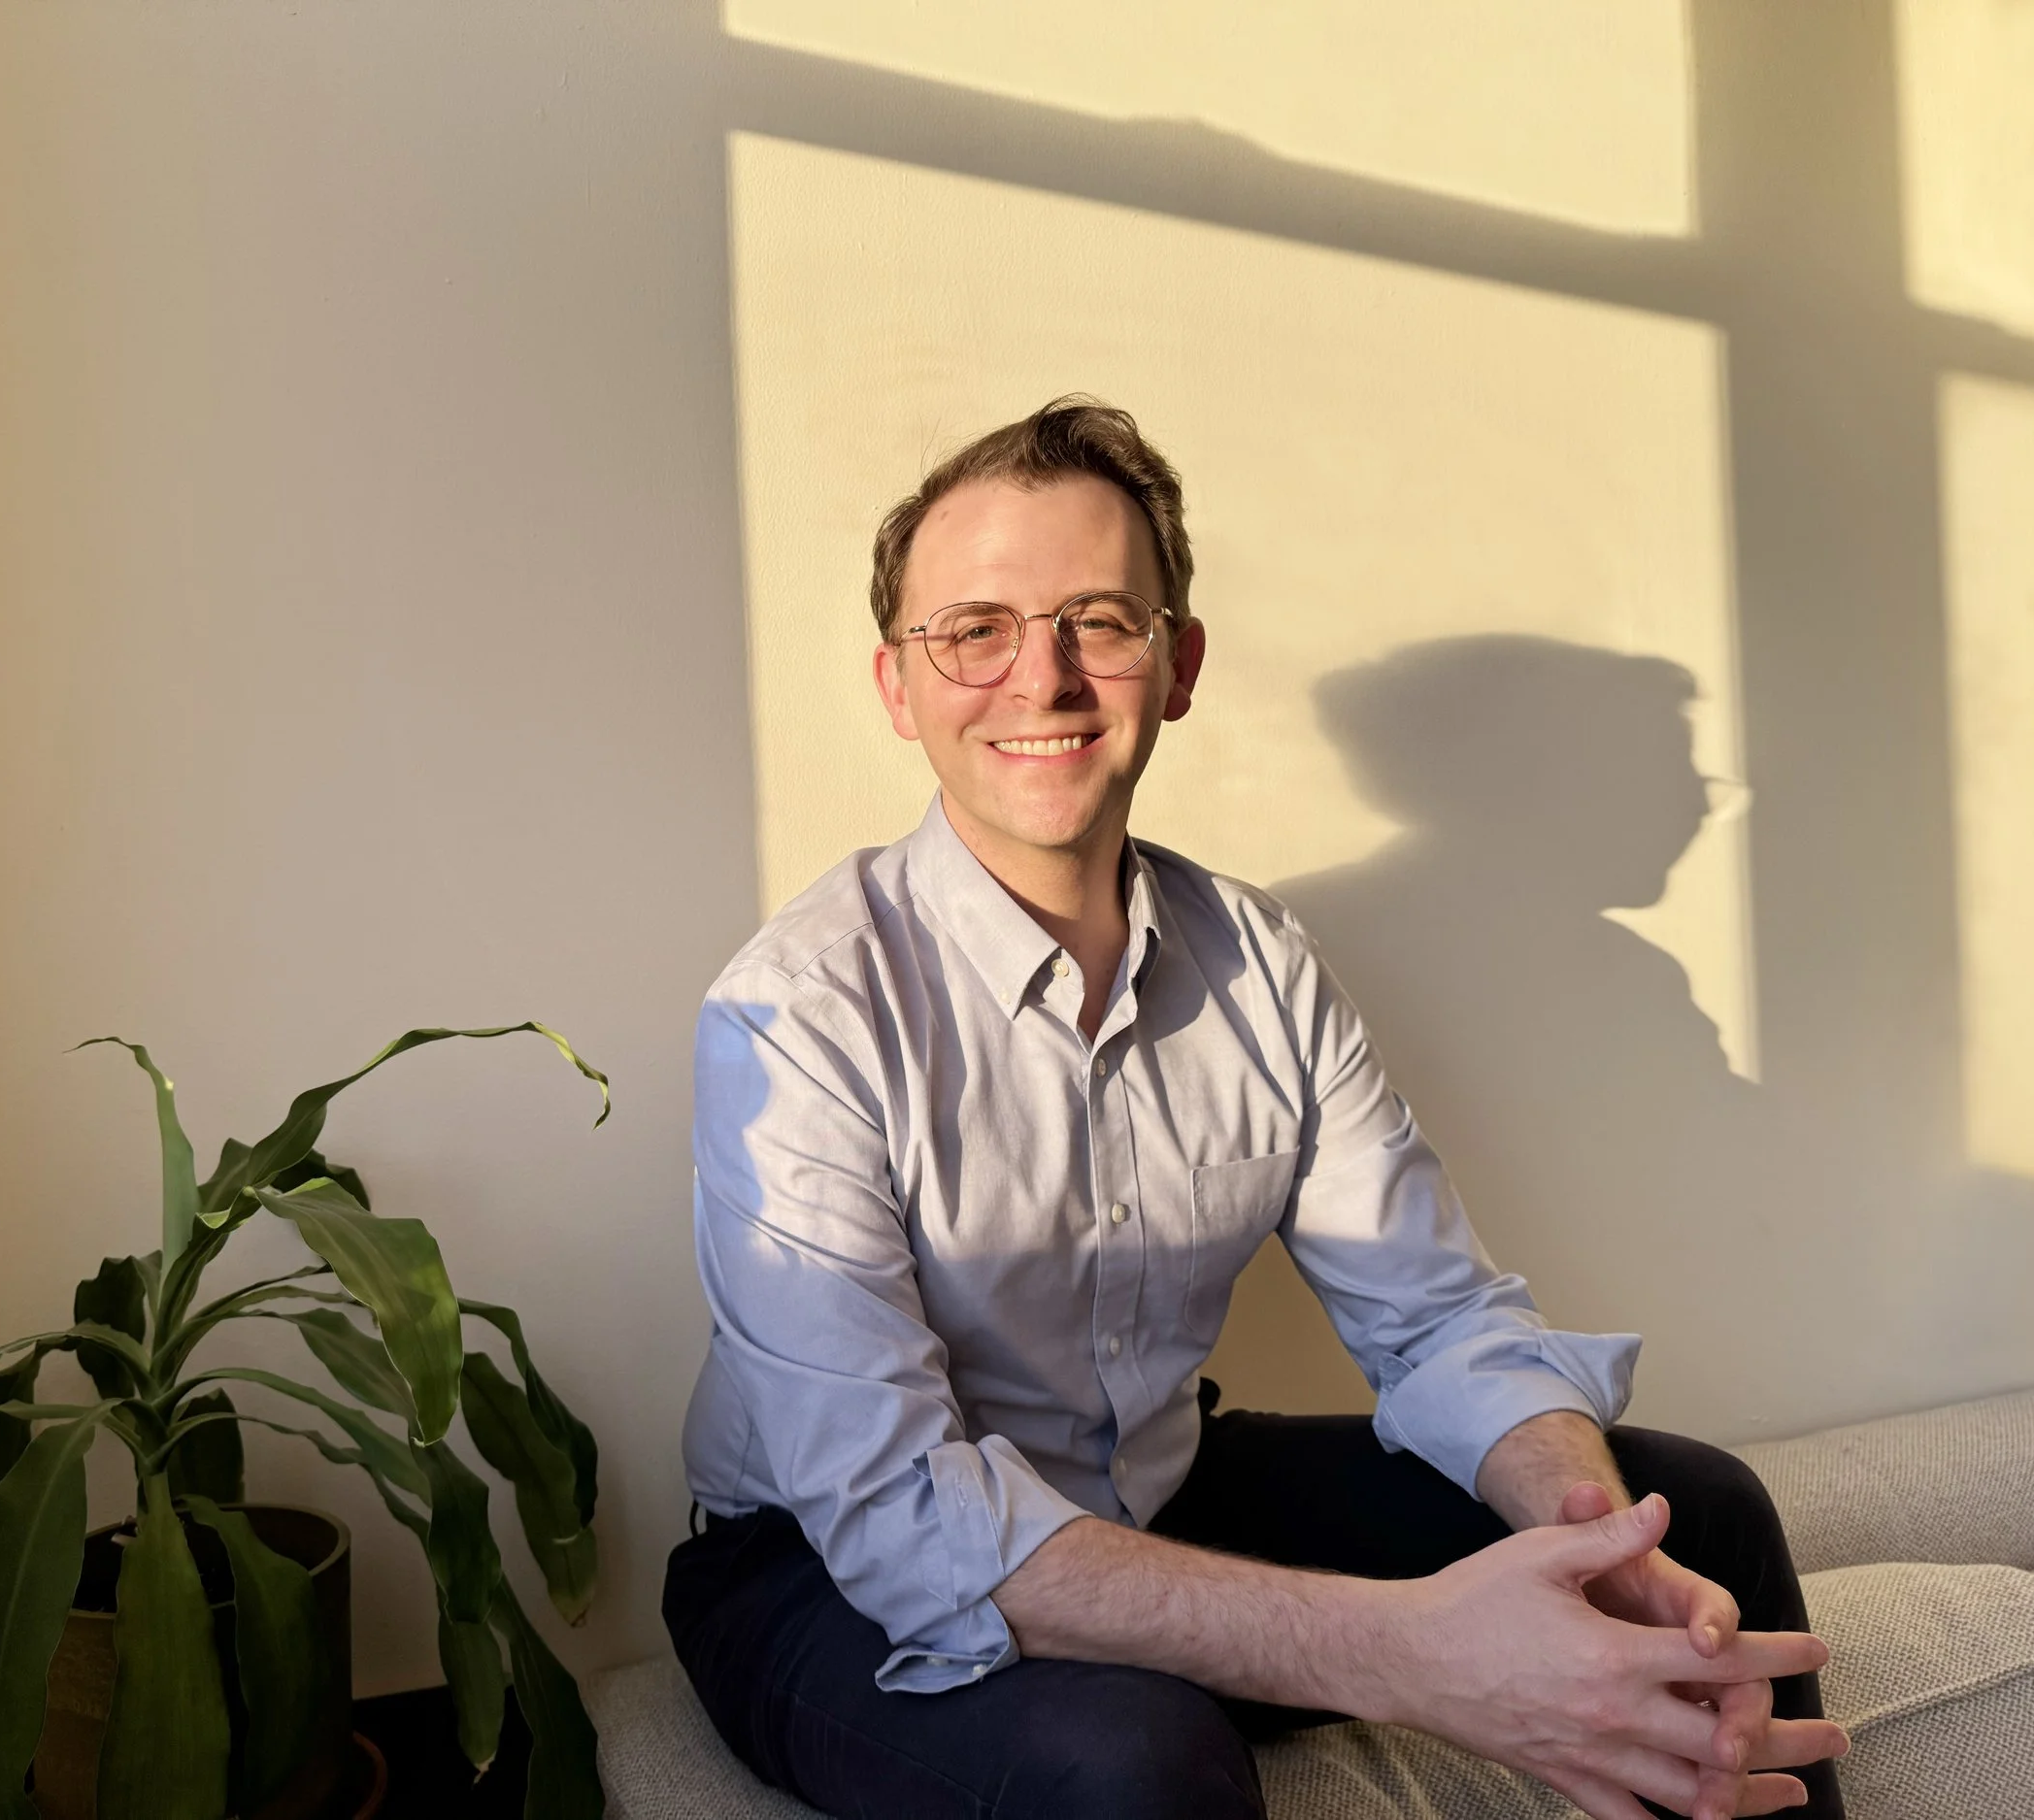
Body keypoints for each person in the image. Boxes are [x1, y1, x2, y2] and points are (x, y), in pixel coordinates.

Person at [664, 398, 1850, 1820]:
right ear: (896, 684)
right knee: (1136, 1765)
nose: (1040, 678)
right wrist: (1415, 1654)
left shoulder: (1261, 965)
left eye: (1098, 619)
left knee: (1693, 1508)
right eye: (973, 628)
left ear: (1177, 664)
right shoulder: (794, 1014)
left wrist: (1582, 1536)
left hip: (1157, 1488)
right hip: (818, 1565)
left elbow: (1435, 1321)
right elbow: (899, 1517)